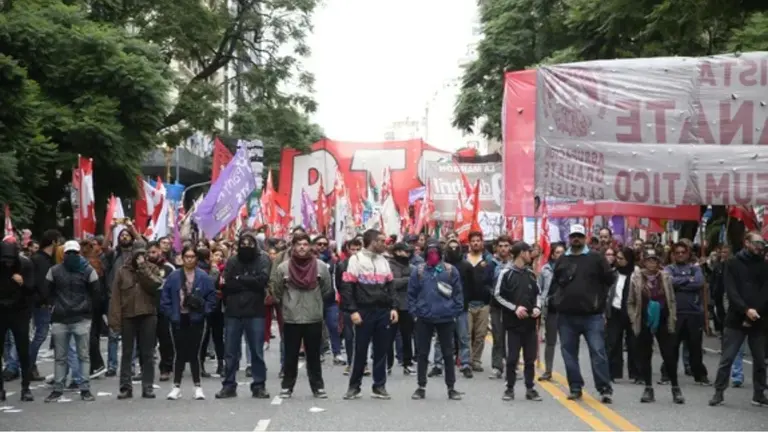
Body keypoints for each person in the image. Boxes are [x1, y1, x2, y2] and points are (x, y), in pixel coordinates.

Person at [550, 224, 614, 403]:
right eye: (573, 236)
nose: (576, 239)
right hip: (567, 317)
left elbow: (609, 279)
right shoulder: (562, 259)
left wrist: (598, 300)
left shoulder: (596, 258)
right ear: (569, 238)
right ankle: (575, 387)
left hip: (592, 316)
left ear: (585, 238)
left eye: (579, 236)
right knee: (568, 354)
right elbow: (556, 284)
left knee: (598, 352)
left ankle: (604, 389)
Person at [710, 232, 768, 407]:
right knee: (728, 357)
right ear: (746, 243)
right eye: (757, 243)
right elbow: (731, 290)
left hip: (759, 317)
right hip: (736, 318)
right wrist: (745, 309)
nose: (760, 247)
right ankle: (718, 392)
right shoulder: (732, 263)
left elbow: (766, 291)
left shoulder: (765, 265)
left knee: (759, 359)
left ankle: (759, 393)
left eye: (762, 244)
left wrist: (755, 310)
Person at [272, 233, 333, 398]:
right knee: (290, 354)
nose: (302, 247)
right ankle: (287, 386)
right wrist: (287, 304)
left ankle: (318, 387)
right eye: (298, 244)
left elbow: (327, 289)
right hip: (291, 317)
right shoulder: (283, 268)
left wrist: (316, 304)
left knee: (313, 354)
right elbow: (276, 290)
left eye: (305, 244)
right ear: (292, 247)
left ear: (310, 247)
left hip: (313, 316)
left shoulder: (320, 267)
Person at [341, 229, 398, 400]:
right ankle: (354, 386)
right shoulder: (355, 259)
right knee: (360, 350)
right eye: (381, 241)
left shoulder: (384, 261)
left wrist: (393, 307)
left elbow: (391, 286)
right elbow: (347, 288)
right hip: (363, 311)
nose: (385, 244)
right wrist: (352, 311)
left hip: (383, 311)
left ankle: (379, 386)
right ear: (373, 242)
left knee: (381, 350)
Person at [216, 232, 272, 399]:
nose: (246, 247)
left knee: (256, 351)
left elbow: (261, 281)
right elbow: (227, 284)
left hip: (255, 311)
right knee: (231, 351)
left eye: (250, 244)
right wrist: (248, 281)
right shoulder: (233, 261)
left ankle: (259, 385)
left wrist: (240, 279)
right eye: (243, 244)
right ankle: (229, 385)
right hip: (233, 311)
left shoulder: (263, 260)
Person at [43, 240, 100, 403]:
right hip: (80, 318)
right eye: (71, 253)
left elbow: (46, 292)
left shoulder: (54, 271)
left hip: (62, 318)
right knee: (83, 356)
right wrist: (88, 309)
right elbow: (96, 293)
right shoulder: (88, 270)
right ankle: (84, 389)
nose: (72, 256)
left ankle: (59, 389)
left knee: (61, 357)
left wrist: (53, 305)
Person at [627, 248, 685, 404]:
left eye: (654, 260)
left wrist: (673, 316)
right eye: (648, 260)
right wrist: (634, 318)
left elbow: (671, 299)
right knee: (645, 355)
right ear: (643, 261)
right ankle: (648, 388)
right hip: (645, 319)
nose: (651, 263)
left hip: (664, 319)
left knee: (669, 354)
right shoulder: (636, 277)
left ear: (659, 262)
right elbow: (630, 302)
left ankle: (675, 388)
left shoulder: (665, 277)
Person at [408, 239, 463, 400]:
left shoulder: (450, 270)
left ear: (441, 254)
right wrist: (415, 313)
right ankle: (421, 386)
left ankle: (451, 387)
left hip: (445, 318)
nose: (433, 255)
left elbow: (458, 294)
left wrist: (454, 312)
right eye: (430, 252)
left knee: (447, 354)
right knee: (422, 354)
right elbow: (411, 294)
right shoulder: (418, 271)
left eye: (436, 252)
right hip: (424, 318)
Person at [160, 245, 216, 400]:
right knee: (179, 353)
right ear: (182, 258)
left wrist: (203, 308)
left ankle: (198, 387)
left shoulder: (203, 277)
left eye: (192, 256)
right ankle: (176, 387)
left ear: (196, 259)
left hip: (196, 319)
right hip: (178, 319)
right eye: (187, 256)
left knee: (195, 353)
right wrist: (171, 315)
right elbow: (165, 298)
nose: (189, 259)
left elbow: (212, 298)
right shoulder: (174, 276)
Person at [109, 245, 164, 399]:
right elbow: (115, 297)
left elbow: (155, 284)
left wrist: (142, 268)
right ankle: (125, 387)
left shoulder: (151, 268)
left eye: (142, 253)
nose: (140, 256)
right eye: (137, 253)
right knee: (127, 353)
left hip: (148, 314)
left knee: (147, 353)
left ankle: (148, 387)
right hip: (128, 315)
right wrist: (114, 321)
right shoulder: (122, 271)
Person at [494, 241, 542, 402]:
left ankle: (530, 388)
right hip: (513, 324)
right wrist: (515, 308)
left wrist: (537, 308)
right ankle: (509, 388)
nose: (531, 254)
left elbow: (538, 294)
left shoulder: (530, 274)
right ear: (522, 253)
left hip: (530, 324)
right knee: (512, 358)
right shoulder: (505, 273)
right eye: (529, 251)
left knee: (530, 358)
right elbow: (498, 295)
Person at [663, 241, 710, 385]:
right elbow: (668, 282)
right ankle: (667, 374)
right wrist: (687, 280)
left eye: (683, 252)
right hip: (675, 313)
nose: (681, 255)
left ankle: (700, 375)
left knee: (695, 346)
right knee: (672, 346)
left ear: (688, 254)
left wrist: (681, 282)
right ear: (673, 255)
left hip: (694, 313)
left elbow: (698, 283)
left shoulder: (695, 269)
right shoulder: (669, 268)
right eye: (677, 252)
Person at [0, 238, 35, 402]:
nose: (7, 264)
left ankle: (26, 387)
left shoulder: (25, 265)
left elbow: (33, 288)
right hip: (2, 310)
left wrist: (23, 283)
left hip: (20, 311)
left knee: (23, 350)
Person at [462, 231, 495, 377]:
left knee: (480, 334)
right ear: (469, 243)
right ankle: (467, 361)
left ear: (482, 243)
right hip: (467, 304)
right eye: (473, 241)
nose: (475, 243)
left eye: (478, 240)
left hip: (483, 303)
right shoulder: (464, 260)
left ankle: (476, 360)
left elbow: (492, 280)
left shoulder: (489, 261)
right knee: (467, 334)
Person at [605, 247, 639, 382]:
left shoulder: (637, 274)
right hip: (615, 310)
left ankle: (636, 373)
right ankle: (613, 373)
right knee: (613, 342)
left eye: (621, 258)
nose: (618, 261)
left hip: (632, 312)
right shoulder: (613, 273)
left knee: (634, 343)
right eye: (617, 258)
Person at [145, 242, 176, 382]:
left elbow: (175, 288)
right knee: (146, 341)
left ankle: (166, 368)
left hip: (164, 309)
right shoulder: (143, 268)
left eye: (154, 252)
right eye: (149, 252)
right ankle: (145, 368)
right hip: (147, 308)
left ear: (159, 252)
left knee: (165, 340)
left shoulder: (169, 268)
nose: (151, 255)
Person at [538, 242, 565, 382]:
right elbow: (540, 290)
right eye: (557, 252)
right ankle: (548, 370)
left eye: (562, 252)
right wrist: (541, 305)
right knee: (550, 342)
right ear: (553, 254)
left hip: (566, 309)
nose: (560, 255)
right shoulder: (545, 270)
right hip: (551, 309)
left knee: (567, 343)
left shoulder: (569, 268)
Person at [388, 242, 416, 375]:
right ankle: (387, 364)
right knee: (388, 337)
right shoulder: (388, 265)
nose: (408, 254)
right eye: (405, 251)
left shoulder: (412, 266)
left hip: (407, 306)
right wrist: (408, 279)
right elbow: (392, 283)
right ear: (397, 252)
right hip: (391, 306)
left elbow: (416, 284)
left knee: (407, 336)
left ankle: (407, 363)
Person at [336, 239, 363, 375]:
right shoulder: (342, 265)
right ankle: (350, 362)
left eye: (358, 249)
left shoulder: (366, 264)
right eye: (353, 249)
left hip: (364, 304)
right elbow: (340, 286)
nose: (355, 252)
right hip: (347, 305)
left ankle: (362, 363)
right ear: (348, 249)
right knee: (348, 335)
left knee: (363, 335)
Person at [489, 236, 513, 379]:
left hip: (511, 306)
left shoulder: (515, 264)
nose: (503, 248)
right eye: (501, 246)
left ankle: (511, 365)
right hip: (496, 306)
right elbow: (485, 282)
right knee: (498, 336)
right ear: (497, 248)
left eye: (506, 245)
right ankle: (497, 366)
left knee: (512, 338)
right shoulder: (491, 264)